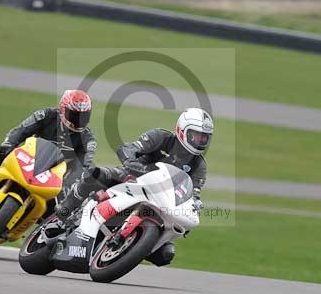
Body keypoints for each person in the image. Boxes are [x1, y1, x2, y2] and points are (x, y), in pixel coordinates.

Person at [51, 107, 213, 267]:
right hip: (133, 177)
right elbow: (129, 148)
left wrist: (195, 205)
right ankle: (64, 212)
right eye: (196, 135)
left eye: (204, 138)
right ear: (182, 130)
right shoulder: (161, 137)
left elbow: (193, 193)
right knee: (95, 174)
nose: (200, 141)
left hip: (160, 200)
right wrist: (131, 162)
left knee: (166, 254)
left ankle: (131, 248)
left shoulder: (199, 165)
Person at [0, 90, 96, 205]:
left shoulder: (88, 140)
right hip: (28, 157)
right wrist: (6, 147)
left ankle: (45, 226)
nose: (78, 121)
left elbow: (81, 166)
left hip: (53, 176)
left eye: (83, 117)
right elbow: (20, 131)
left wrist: (69, 184)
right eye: (74, 115)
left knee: (66, 202)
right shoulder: (46, 115)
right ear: (63, 108)